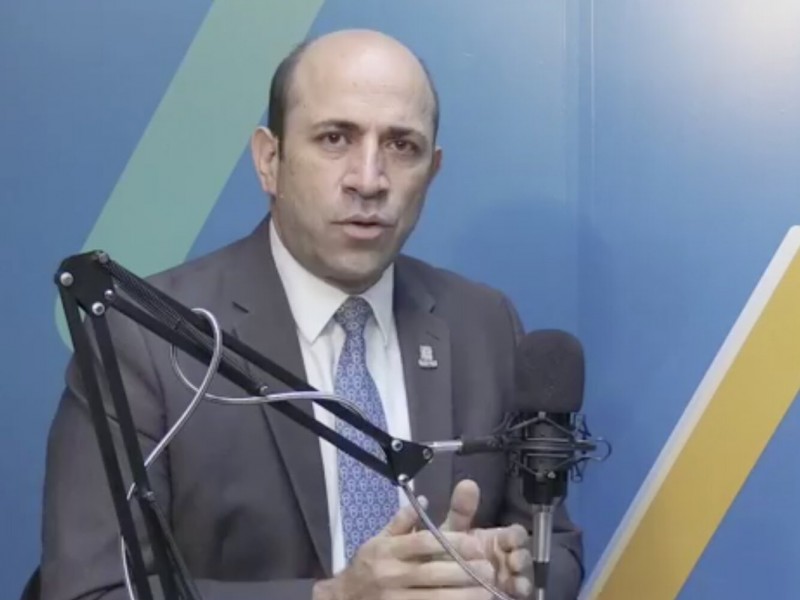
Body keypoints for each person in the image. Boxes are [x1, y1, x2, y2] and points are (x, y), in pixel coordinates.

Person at [41, 29, 583, 600]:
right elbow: (90, 591)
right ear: (269, 160)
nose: (369, 180)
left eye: (402, 146)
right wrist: (332, 597)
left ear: (432, 171)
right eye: (334, 138)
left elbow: (557, 547)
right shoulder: (146, 337)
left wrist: (517, 574)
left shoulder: (484, 324)